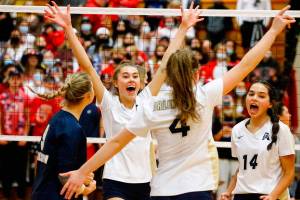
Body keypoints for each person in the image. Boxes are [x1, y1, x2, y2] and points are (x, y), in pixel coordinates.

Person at [60, 4, 295, 200]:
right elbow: (245, 65)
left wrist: (82, 172)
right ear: (197, 75)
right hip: (197, 187)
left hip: (161, 188)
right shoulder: (204, 95)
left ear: (167, 76)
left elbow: (115, 143)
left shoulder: (151, 105)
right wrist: (273, 31)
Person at [44, 1, 203, 200]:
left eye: (135, 76)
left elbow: (165, 65)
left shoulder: (146, 100)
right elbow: (87, 66)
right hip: (116, 181)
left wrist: (183, 27)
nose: (131, 80)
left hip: (146, 182)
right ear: (116, 82)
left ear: (141, 82)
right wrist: (68, 28)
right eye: (126, 76)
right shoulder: (109, 103)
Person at [220, 80, 295, 200]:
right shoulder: (237, 130)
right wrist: (229, 191)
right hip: (241, 196)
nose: (254, 98)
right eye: (251, 94)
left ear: (270, 104)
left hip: (269, 195)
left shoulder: (281, 130)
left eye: (261, 96)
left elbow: (289, 172)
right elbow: (242, 169)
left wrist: (273, 196)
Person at [31, 72, 97, 200]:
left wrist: (83, 175)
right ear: (88, 96)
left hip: (42, 192)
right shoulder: (73, 129)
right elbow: (65, 176)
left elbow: (54, 165)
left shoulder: (57, 118)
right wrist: (86, 189)